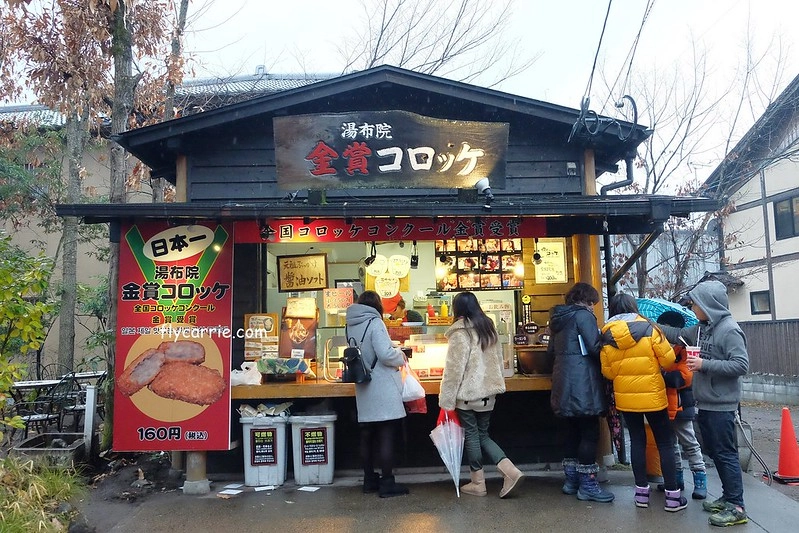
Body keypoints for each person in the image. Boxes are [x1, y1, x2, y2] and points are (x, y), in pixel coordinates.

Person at [660, 280, 749, 526]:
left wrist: (704, 365)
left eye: (696, 303)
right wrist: (647, 326)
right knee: (717, 454)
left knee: (725, 454)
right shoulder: (702, 329)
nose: (693, 307)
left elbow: (741, 365)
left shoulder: (729, 330)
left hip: (722, 404)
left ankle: (737, 507)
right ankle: (728, 497)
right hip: (706, 403)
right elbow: (674, 334)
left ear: (708, 304)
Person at [600, 293, 686, 512]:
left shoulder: (606, 335)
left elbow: (607, 372)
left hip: (626, 398)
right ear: (633, 307)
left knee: (636, 442)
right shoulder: (650, 329)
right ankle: (673, 498)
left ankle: (640, 495)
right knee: (665, 443)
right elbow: (667, 361)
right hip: (654, 396)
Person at [439, 291, 524, 498]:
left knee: (472, 436)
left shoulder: (461, 333)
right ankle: (509, 471)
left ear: (457, 309)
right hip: (488, 393)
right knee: (483, 434)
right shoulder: (488, 328)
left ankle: (479, 482)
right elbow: (497, 361)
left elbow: (453, 370)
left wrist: (446, 400)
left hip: (468, 394)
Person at [548, 282, 614, 503]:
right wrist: (606, 341)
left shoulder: (557, 319)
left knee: (571, 431)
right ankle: (588, 486)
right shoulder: (583, 316)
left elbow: (551, 352)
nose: (593, 308)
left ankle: (571, 481)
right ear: (585, 300)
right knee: (589, 431)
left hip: (562, 381)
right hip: (583, 382)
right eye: (592, 303)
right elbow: (594, 348)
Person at [345, 290, 409, 498]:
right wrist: (401, 356)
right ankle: (387, 483)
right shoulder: (375, 322)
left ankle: (369, 480)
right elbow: (385, 354)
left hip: (363, 387)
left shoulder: (350, 324)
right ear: (377, 306)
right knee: (386, 433)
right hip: (381, 385)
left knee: (367, 434)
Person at [655, 311, 707, 500]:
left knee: (690, 443)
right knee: (670, 445)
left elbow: (683, 378)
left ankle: (700, 480)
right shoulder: (659, 349)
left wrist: (661, 374)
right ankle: (676, 478)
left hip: (681, 406)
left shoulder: (686, 349)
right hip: (662, 405)